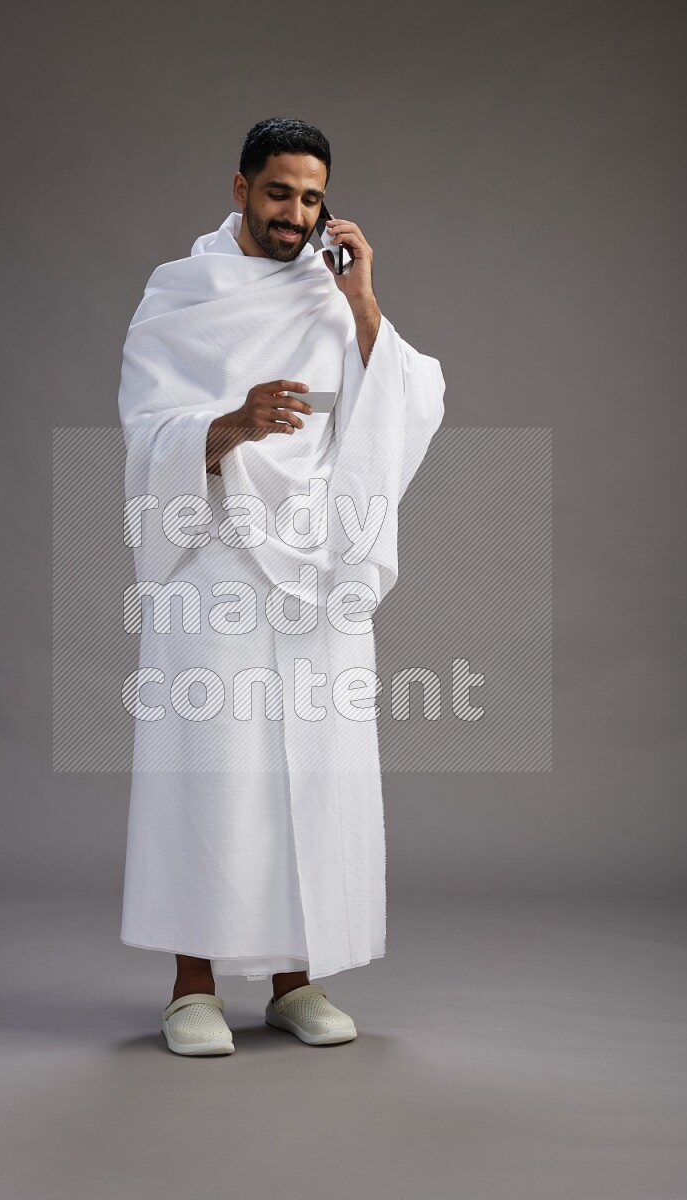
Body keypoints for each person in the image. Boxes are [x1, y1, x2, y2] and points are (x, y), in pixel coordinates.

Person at [117, 117, 445, 1055]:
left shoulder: (334, 298)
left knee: (315, 767)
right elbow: (146, 432)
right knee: (210, 766)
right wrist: (229, 424)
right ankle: (192, 988)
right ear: (239, 189)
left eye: (311, 197)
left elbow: (413, 403)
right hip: (214, 557)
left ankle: (300, 980)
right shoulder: (180, 296)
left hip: (316, 567)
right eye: (277, 193)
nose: (294, 214)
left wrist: (366, 302)